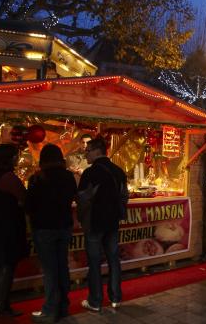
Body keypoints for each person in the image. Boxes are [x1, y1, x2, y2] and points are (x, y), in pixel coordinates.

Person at [26, 144, 77, 323]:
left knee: (50, 270)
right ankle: (63, 306)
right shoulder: (68, 176)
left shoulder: (38, 178)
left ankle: (50, 310)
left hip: (44, 227)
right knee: (62, 266)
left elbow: (29, 204)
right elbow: (74, 197)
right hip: (63, 225)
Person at [78, 137, 127, 312]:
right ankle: (116, 298)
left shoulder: (90, 173)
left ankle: (95, 301)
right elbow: (124, 197)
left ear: (97, 151)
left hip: (94, 223)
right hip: (112, 223)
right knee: (114, 259)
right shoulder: (119, 171)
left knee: (94, 261)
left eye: (87, 150)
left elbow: (83, 199)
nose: (85, 154)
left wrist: (81, 218)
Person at [0, 144, 27, 317]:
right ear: (8, 158)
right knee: (7, 265)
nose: (18, 158)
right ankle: (2, 306)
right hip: (8, 227)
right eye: (15, 155)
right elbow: (24, 196)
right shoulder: (8, 177)